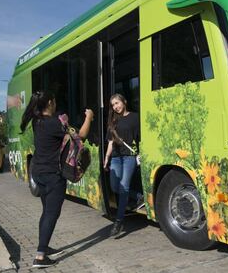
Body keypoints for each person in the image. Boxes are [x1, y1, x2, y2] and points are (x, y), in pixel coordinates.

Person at [20, 91, 94, 268]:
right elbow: (81, 136)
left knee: (47, 212)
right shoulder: (54, 123)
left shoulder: (37, 121)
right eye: (54, 102)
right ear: (51, 103)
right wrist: (89, 117)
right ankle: (40, 257)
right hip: (53, 175)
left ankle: (44, 247)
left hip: (38, 172)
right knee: (51, 214)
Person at [103, 93, 143, 237]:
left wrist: (141, 153)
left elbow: (140, 137)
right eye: (113, 105)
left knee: (124, 186)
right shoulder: (113, 121)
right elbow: (110, 142)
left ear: (124, 102)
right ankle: (138, 195)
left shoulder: (135, 117)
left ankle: (119, 221)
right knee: (115, 186)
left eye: (117, 103)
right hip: (115, 157)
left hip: (129, 157)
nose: (116, 107)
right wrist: (107, 157)